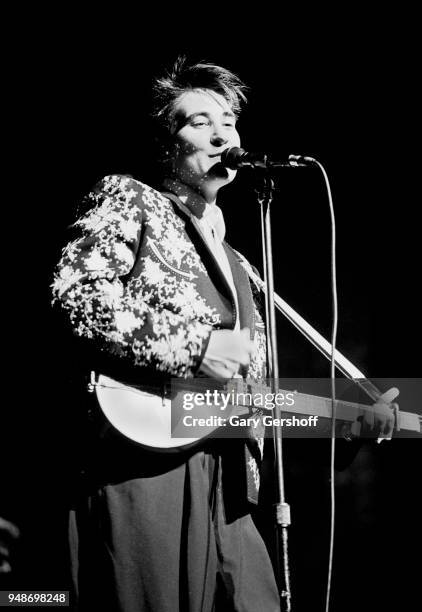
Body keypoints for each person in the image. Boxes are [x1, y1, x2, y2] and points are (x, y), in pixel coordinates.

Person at [51, 58, 394, 612]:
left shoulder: (239, 263)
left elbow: (248, 401)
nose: (221, 134)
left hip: (232, 479)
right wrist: (196, 346)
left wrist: (347, 422)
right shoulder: (130, 198)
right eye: (199, 121)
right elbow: (77, 299)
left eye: (229, 122)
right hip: (143, 461)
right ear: (167, 143)